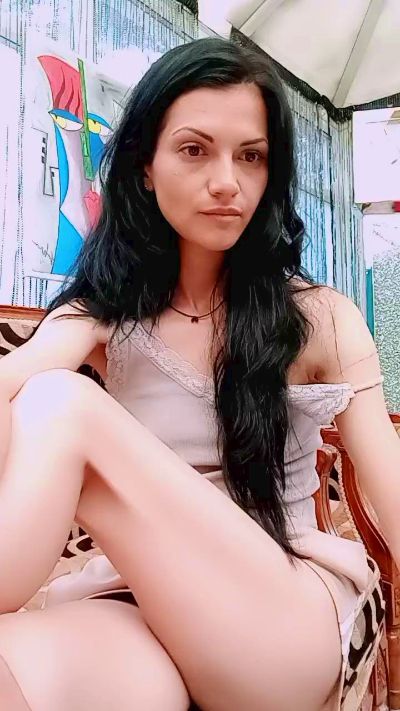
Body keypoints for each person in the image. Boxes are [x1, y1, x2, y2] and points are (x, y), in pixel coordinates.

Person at [0, 36, 398, 711]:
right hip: (142, 605)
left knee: (59, 402)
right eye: (194, 150)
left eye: (251, 156)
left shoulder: (320, 317)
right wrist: (68, 339)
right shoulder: (101, 315)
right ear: (145, 167)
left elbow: (390, 487)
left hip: (284, 611)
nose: (226, 182)